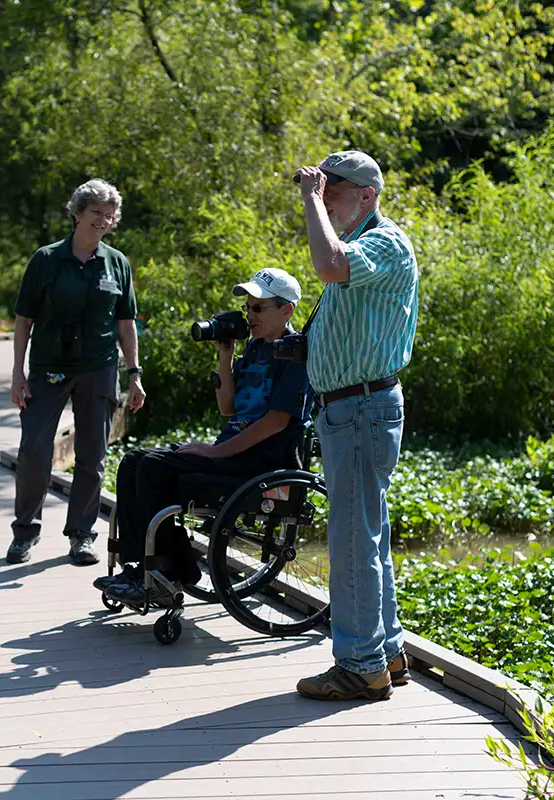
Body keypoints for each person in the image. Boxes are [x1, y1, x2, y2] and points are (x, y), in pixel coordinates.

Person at [93, 268, 315, 605]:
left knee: (153, 467)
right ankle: (147, 567)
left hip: (261, 461)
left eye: (258, 308)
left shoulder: (295, 355)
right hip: (232, 452)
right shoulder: (254, 349)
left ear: (286, 310)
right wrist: (226, 355)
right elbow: (228, 408)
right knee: (133, 460)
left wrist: (217, 452)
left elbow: (276, 422)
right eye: (247, 308)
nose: (249, 316)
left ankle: (162, 571)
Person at [290, 151, 419, 702]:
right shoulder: (366, 244)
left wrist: (310, 200)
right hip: (352, 409)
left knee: (351, 541)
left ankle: (361, 665)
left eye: (334, 189)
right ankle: (386, 651)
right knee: (369, 535)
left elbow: (328, 265)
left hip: (362, 410)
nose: (326, 196)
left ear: (367, 194)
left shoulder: (384, 243)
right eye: (324, 188)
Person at [8, 179, 146, 567]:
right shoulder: (46, 260)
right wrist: (18, 375)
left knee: (92, 456)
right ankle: (24, 533)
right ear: (77, 214)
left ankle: (82, 536)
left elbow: (126, 324)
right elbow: (23, 320)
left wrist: (134, 374)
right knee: (34, 451)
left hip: (99, 369)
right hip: (48, 369)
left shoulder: (117, 263)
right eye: (96, 213)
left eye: (109, 215)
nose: (103, 221)